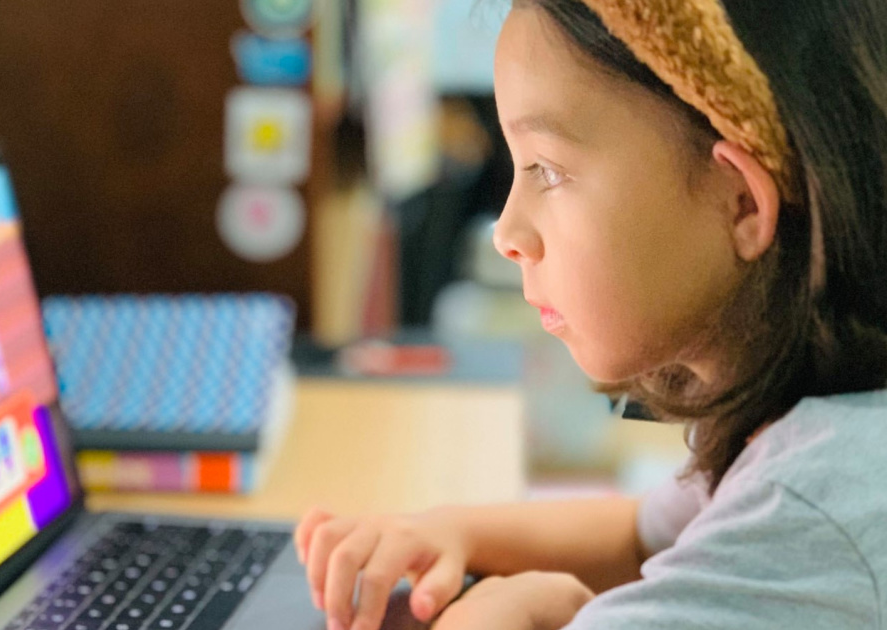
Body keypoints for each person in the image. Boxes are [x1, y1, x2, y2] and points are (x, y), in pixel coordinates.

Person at [295, 0, 887, 628]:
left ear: (741, 203)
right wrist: (446, 530)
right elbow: (641, 537)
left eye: (546, 170)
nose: (507, 231)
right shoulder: (811, 435)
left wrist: (521, 616)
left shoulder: (812, 511)